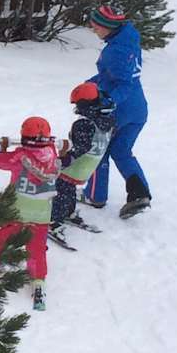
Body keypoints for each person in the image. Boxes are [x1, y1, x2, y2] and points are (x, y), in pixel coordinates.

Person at [0, 116, 60, 306]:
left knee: (2, 238)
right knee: (37, 249)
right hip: (42, 215)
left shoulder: (19, 157)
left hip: (18, 212)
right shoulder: (53, 156)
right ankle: (38, 281)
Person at [84, 5, 151, 218]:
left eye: (96, 26)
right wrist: (90, 84)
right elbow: (115, 76)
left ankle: (95, 195)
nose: (93, 29)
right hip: (138, 109)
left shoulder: (116, 51)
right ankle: (139, 194)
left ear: (108, 26)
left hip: (120, 111)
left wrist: (107, 102)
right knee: (121, 151)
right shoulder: (127, 41)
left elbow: (123, 84)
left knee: (98, 149)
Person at [51, 82, 114, 241]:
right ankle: (69, 212)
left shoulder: (84, 124)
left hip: (77, 164)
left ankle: (54, 219)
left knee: (61, 188)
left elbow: (81, 147)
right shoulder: (107, 120)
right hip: (90, 164)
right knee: (70, 188)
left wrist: (66, 159)